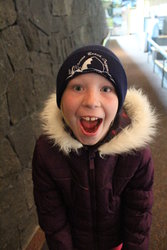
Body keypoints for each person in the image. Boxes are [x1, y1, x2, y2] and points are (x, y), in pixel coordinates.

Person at [32, 45, 157, 250]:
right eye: (78, 87)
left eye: (106, 89)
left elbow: (139, 217)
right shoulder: (47, 152)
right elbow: (52, 216)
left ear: (119, 102)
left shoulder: (136, 153)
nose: (91, 101)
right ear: (61, 100)